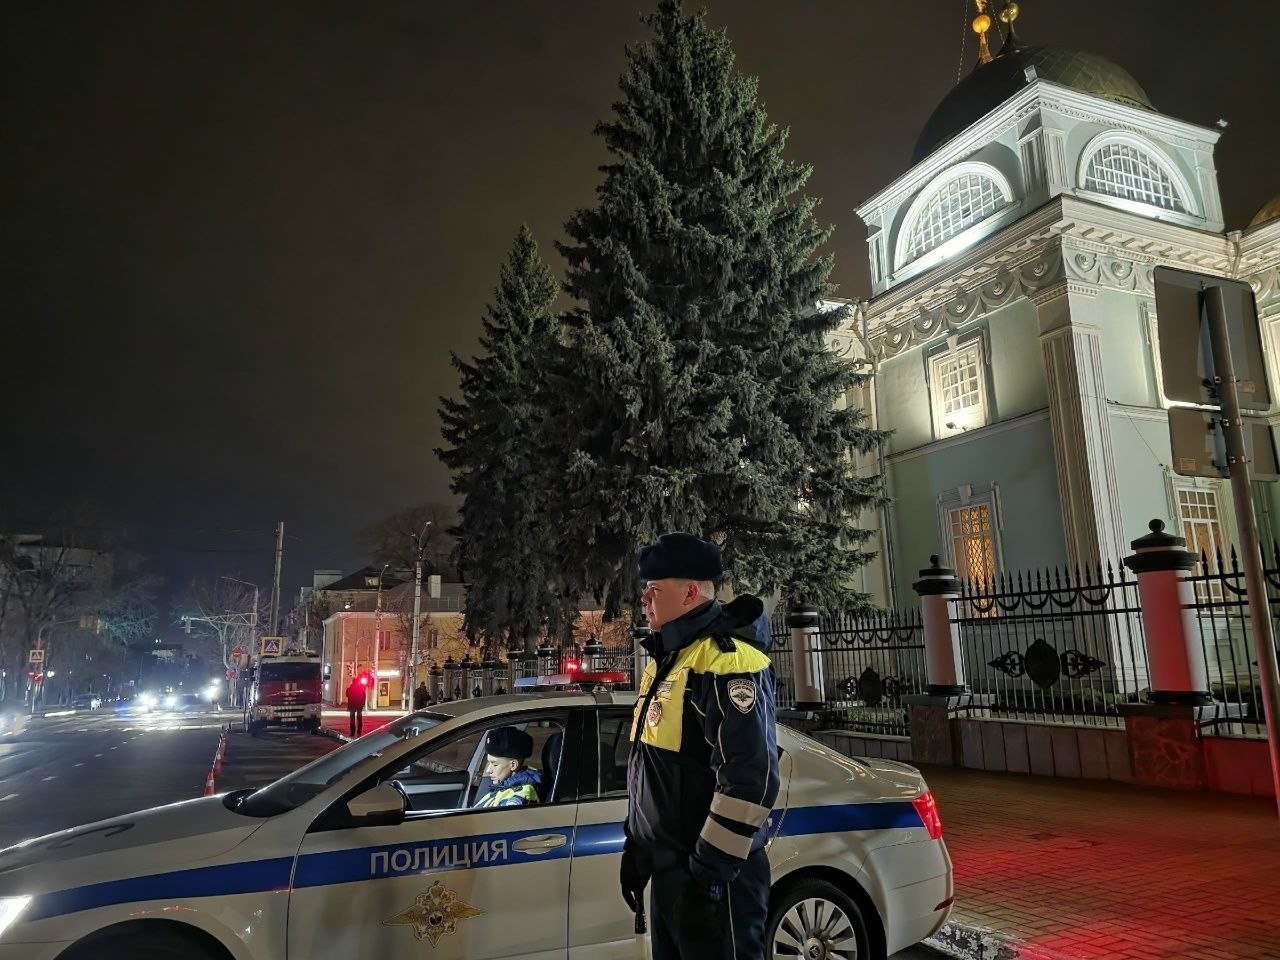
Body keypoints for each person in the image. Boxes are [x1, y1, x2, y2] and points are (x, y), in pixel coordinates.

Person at [620, 532, 779, 960]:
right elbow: (651, 771)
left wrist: (708, 878)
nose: (645, 601)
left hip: (717, 885)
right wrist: (637, 848)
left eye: (654, 590)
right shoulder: (669, 660)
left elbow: (751, 780)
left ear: (690, 592)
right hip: (673, 872)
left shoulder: (727, 661)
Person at [473, 726, 541, 808]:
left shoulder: (519, 796)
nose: (488, 770)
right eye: (489, 763)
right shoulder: (502, 787)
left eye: (495, 764)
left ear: (513, 765)